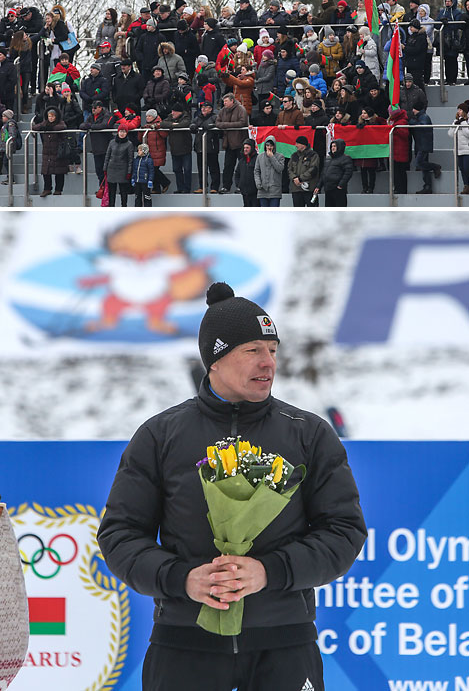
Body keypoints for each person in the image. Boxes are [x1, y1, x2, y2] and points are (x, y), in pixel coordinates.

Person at [97, 281, 367, 691]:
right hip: (183, 648)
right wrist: (183, 579)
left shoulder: (309, 434)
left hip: (286, 646)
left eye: (273, 351)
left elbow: (344, 531)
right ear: (216, 360)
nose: (268, 363)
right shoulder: (160, 435)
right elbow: (120, 534)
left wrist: (269, 572)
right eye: (253, 351)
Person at [32, 105, 69, 198]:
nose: (51, 118)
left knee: (59, 172)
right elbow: (35, 127)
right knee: (46, 172)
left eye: (53, 116)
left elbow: (62, 127)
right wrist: (43, 127)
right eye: (49, 116)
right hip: (47, 152)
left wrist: (50, 128)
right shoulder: (45, 123)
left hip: (58, 151)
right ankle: (47, 189)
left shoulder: (60, 123)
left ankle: (58, 189)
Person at [215, 91, 249, 192]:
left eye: (226, 101)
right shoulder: (222, 111)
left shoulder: (241, 109)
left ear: (232, 101)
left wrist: (226, 125)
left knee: (241, 166)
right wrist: (227, 125)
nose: (224, 103)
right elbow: (217, 122)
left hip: (240, 143)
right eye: (224, 101)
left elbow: (243, 122)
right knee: (228, 166)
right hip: (228, 143)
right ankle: (226, 186)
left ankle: (240, 186)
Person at [103, 124, 133, 206]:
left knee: (123, 192)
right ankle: (111, 208)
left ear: (126, 133)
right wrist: (105, 168)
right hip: (111, 169)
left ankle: (124, 207)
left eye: (124, 132)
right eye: (120, 131)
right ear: (118, 132)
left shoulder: (129, 144)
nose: (122, 133)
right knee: (111, 192)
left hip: (123, 170)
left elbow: (130, 159)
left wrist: (129, 172)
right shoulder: (112, 142)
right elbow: (107, 156)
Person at [437, 0, 464, 84]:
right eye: (446, 1)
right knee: (447, 60)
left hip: (453, 39)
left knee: (453, 59)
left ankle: (453, 79)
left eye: (449, 1)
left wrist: (448, 22)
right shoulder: (442, 12)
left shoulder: (457, 12)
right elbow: (436, 24)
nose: (447, 3)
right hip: (444, 39)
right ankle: (447, 79)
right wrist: (441, 21)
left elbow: (458, 24)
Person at [318, 137, 353, 206]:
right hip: (328, 189)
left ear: (340, 147)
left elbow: (348, 173)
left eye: (335, 146)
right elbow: (323, 174)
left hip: (338, 190)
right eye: (332, 146)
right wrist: (318, 186)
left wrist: (340, 185)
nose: (332, 148)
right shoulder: (329, 159)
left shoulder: (346, 159)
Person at [288, 136, 320, 206]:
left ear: (303, 145)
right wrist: (294, 178)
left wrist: (300, 178)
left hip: (309, 189)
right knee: (298, 214)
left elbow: (313, 170)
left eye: (297, 143)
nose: (295, 145)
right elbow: (289, 169)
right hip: (296, 189)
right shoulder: (294, 155)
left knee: (313, 213)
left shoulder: (313, 155)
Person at [253, 136, 284, 206]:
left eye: (271, 145)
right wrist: (258, 183)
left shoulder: (280, 156)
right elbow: (256, 171)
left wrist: (272, 157)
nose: (269, 147)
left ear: (274, 146)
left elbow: (280, 169)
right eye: (267, 145)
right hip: (262, 190)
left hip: (275, 191)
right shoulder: (260, 157)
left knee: (274, 214)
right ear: (265, 146)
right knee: (264, 214)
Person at [449, 102, 469, 195]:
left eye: (460, 110)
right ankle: (466, 186)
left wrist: (463, 123)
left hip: (467, 149)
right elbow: (450, 134)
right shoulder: (456, 121)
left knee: (467, 168)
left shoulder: (467, 121)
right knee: (462, 168)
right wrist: (455, 124)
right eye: (458, 110)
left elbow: (468, 134)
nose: (459, 111)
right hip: (458, 149)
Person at [234, 139, 258, 206]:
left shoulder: (257, 159)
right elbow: (237, 173)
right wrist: (239, 185)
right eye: (244, 148)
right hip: (245, 192)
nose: (245, 149)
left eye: (247, 148)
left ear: (252, 148)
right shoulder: (241, 161)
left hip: (255, 193)